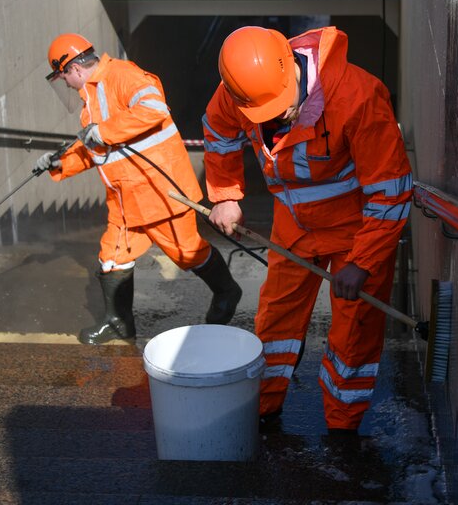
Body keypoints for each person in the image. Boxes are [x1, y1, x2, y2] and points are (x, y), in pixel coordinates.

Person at [203, 25, 412, 433]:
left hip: (356, 229)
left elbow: (391, 191)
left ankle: (343, 427)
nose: (278, 117)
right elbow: (218, 129)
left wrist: (363, 263)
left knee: (354, 332)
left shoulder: (357, 97)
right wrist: (226, 194)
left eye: (281, 106)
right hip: (293, 223)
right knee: (276, 317)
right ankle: (262, 408)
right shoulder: (239, 90)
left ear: (293, 71)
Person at [36, 33, 242, 344]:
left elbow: (155, 109)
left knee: (187, 253)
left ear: (74, 69)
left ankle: (227, 291)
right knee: (112, 256)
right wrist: (58, 163)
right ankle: (118, 322)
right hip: (125, 199)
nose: (64, 83)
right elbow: (98, 149)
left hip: (161, 193)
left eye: (62, 76)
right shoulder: (89, 102)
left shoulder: (122, 75)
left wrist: (104, 131)